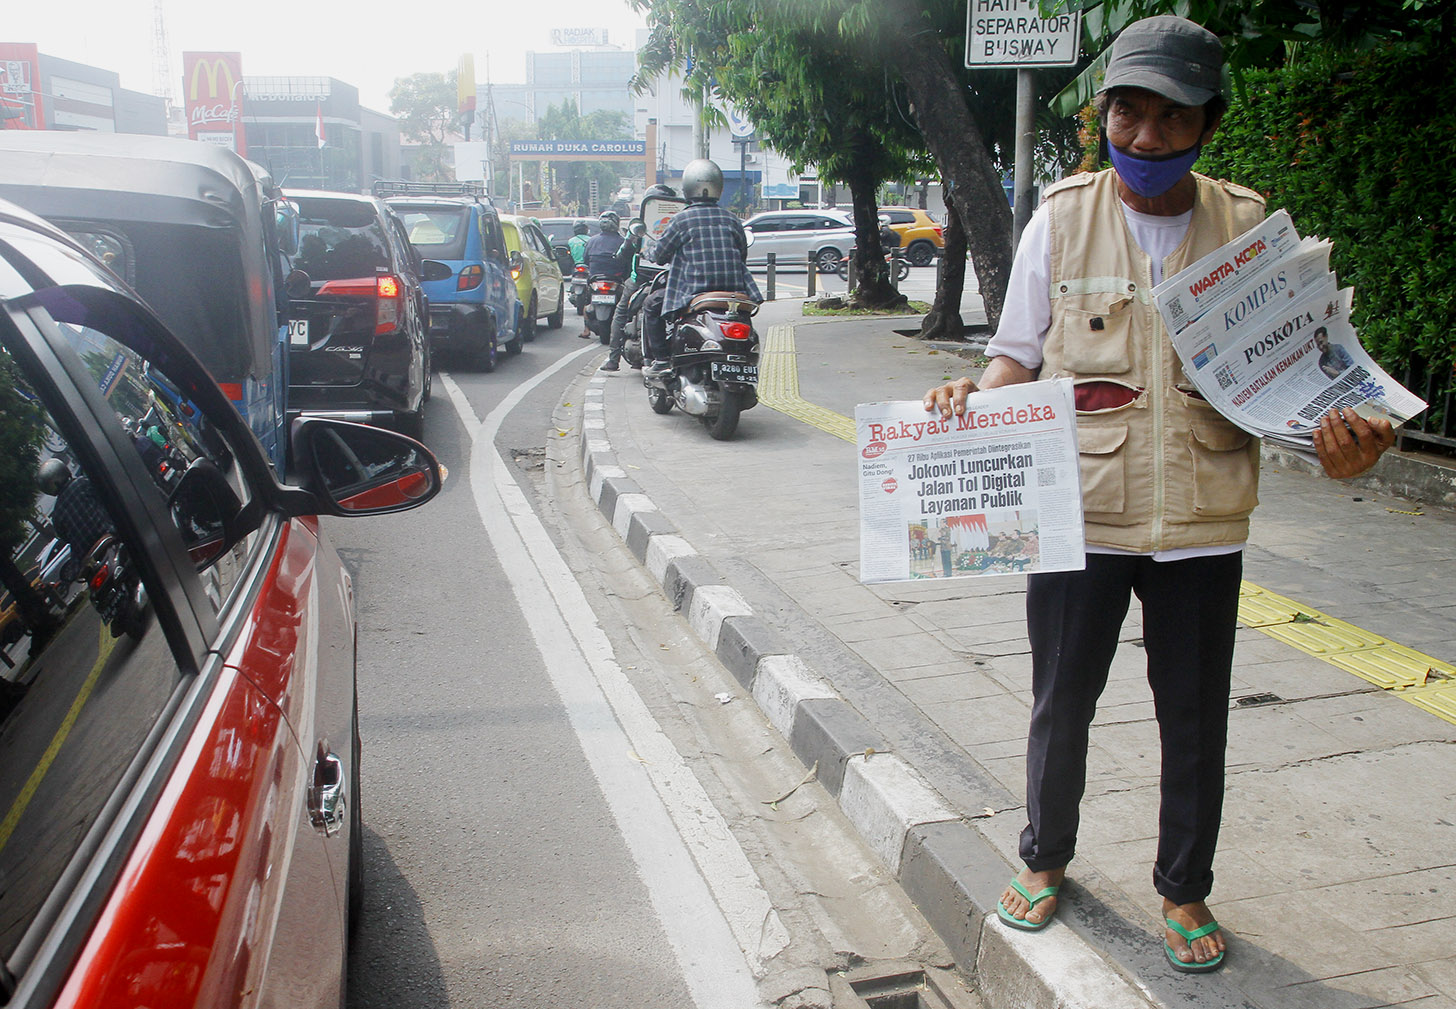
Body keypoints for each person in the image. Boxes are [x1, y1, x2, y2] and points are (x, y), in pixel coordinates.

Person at [921, 15, 1396, 974]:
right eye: (1126, 114)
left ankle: (1184, 886)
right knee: (1062, 699)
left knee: (1194, 711)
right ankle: (1046, 857)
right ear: (1103, 114)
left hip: (1203, 522)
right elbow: (1017, 350)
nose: (1142, 139)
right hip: (1080, 510)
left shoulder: (1249, 227)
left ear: (1207, 122)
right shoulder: (1061, 215)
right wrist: (978, 394)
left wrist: (1352, 439)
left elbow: (1303, 372)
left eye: (1169, 120)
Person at [642, 159, 762, 376]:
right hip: (734, 293)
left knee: (651, 305)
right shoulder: (732, 220)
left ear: (687, 187)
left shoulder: (681, 220)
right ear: (718, 187)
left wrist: (647, 250)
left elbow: (660, 256)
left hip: (692, 293)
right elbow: (742, 255)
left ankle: (660, 360)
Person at [601, 184, 679, 373]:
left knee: (620, 314)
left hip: (644, 279)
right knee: (622, 311)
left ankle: (613, 359)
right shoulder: (677, 221)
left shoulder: (643, 224)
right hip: (670, 279)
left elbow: (622, 255)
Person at [38, 458, 114, 563]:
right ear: (63, 470)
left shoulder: (57, 513)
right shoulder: (83, 483)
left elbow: (65, 537)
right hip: (110, 535)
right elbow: (105, 496)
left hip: (86, 558)